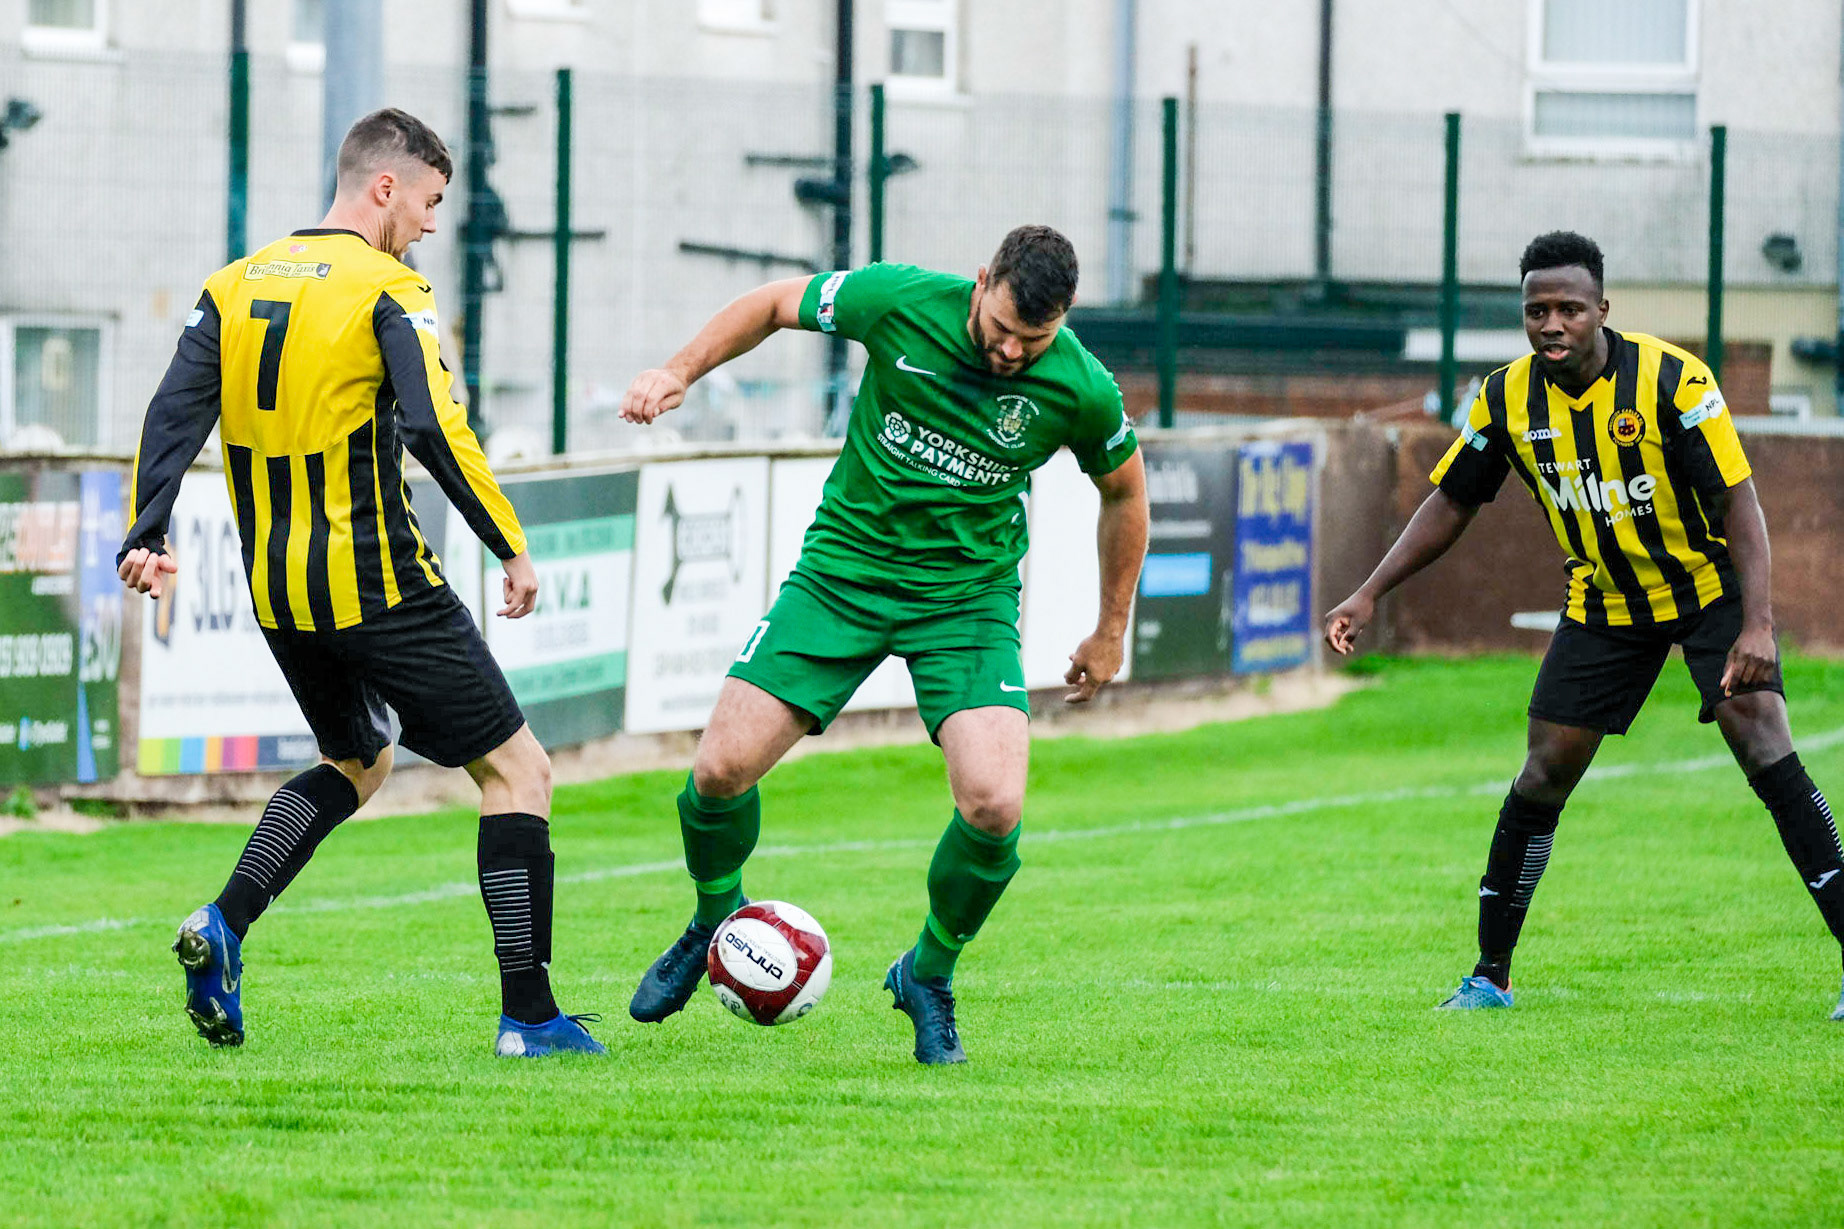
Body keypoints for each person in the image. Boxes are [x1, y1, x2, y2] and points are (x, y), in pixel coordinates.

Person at [117, 108, 602, 1057]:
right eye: (426, 202)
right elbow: (433, 424)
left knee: (361, 758)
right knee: (520, 772)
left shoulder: (233, 282)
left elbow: (172, 409)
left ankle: (223, 923)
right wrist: (509, 542)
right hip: (380, 583)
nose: (428, 224)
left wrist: (147, 531)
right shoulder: (391, 287)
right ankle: (530, 1017)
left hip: (281, 592)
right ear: (385, 187)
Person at [619, 226, 1148, 1063]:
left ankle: (927, 974)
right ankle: (714, 915)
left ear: (1063, 323)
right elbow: (770, 304)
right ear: (982, 281)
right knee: (719, 771)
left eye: (1032, 340)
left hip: (965, 601)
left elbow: (1124, 492)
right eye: (1002, 326)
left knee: (995, 804)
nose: (1011, 351)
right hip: (844, 574)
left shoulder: (1081, 385)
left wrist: (1110, 626)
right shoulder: (899, 300)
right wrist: (677, 370)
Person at [1324, 230, 1844, 1015]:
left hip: (1707, 591)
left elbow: (1741, 501)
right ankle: (1489, 976)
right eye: (1537, 310)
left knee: (1764, 745)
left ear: (1603, 309)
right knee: (1542, 774)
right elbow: (1453, 499)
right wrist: (1369, 591)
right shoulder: (1504, 396)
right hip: (1604, 605)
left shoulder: (1674, 381)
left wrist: (1759, 623)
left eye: (1569, 308)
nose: (1552, 324)